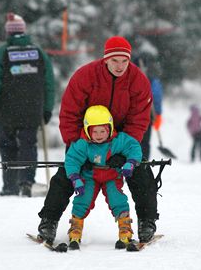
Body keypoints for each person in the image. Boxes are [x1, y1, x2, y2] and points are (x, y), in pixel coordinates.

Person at [37, 36, 158, 245]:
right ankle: (48, 221)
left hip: (121, 137)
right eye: (115, 61)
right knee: (66, 173)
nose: (120, 66)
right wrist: (79, 147)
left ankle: (147, 221)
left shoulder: (138, 81)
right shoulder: (85, 76)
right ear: (106, 60)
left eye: (125, 61)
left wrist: (124, 152)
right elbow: (69, 114)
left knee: (141, 171)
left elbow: (139, 120)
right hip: (87, 135)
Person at [0, 12, 55, 197]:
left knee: (8, 146)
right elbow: (49, 84)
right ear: (24, 32)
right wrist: (47, 108)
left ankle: (10, 186)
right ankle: (27, 182)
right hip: (32, 110)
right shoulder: (39, 54)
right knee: (29, 145)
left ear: (8, 34)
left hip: (7, 111)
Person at [65, 105, 143, 250]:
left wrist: (130, 163)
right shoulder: (83, 144)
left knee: (118, 199)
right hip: (90, 177)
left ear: (110, 128)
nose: (99, 135)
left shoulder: (117, 140)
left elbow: (134, 147)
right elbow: (72, 159)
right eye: (95, 131)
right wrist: (75, 178)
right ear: (88, 130)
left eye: (103, 130)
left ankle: (125, 228)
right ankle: (76, 228)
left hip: (111, 176)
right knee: (82, 200)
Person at [133, 54, 163, 159]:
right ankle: (142, 161)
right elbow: (157, 97)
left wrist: (157, 114)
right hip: (141, 115)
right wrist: (158, 113)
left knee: (137, 140)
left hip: (140, 115)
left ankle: (140, 161)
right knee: (143, 141)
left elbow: (156, 97)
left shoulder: (150, 81)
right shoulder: (151, 80)